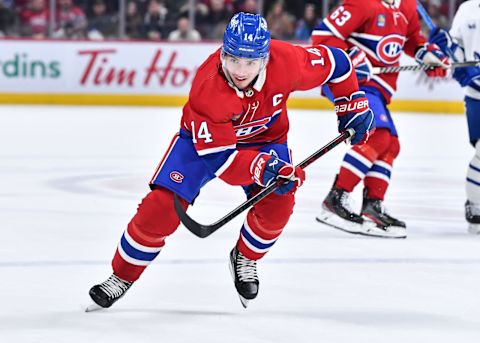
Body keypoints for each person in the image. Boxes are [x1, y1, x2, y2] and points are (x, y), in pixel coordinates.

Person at [87, 12, 374, 310]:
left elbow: (338, 63)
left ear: (264, 58)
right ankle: (122, 276)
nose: (240, 70)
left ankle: (245, 258)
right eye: (234, 59)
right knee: (160, 208)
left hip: (266, 140)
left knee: (280, 202)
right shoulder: (207, 88)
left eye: (250, 62)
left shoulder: (287, 61)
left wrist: (350, 104)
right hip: (203, 146)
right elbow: (222, 162)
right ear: (223, 53)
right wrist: (264, 168)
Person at [311, 0, 451, 238]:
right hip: (353, 82)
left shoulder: (406, 6)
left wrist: (426, 54)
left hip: (378, 87)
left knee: (390, 144)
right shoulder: (362, 3)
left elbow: (412, 38)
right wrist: (351, 59)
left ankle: (373, 206)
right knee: (379, 136)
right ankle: (336, 199)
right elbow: (323, 36)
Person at [429, 0, 480, 234]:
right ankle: (476, 205)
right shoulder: (468, 9)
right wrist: (444, 48)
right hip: (477, 97)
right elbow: (456, 50)